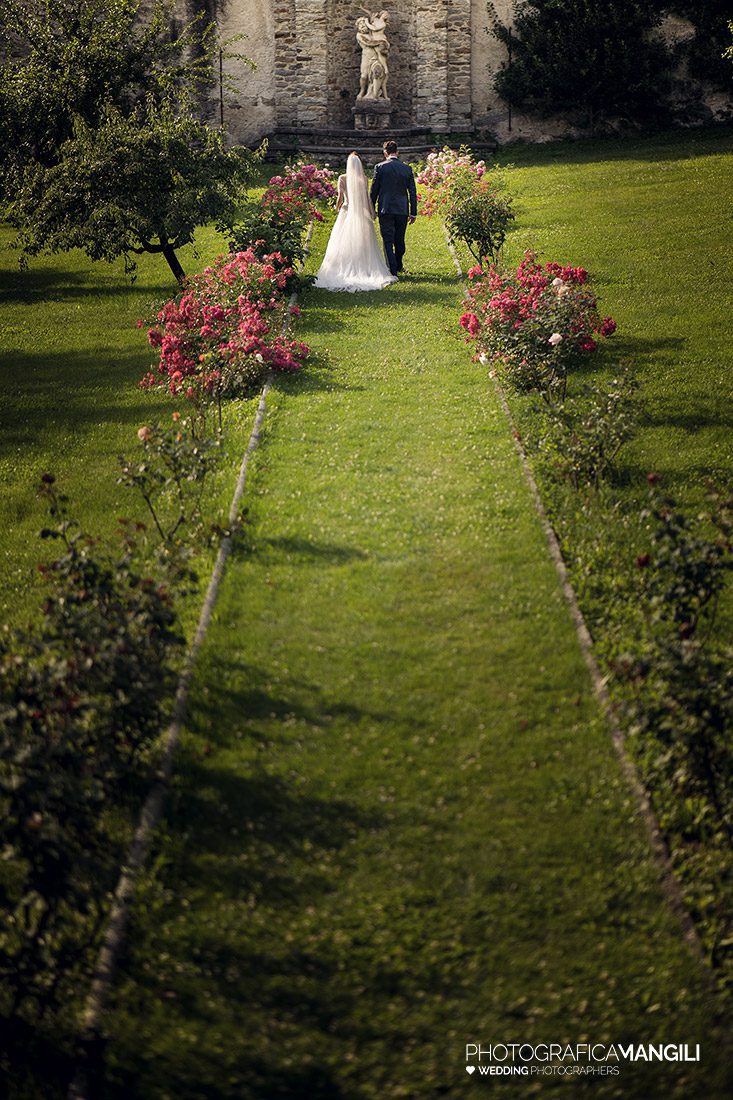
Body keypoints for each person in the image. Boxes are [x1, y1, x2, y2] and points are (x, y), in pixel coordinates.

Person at [314, 152, 397, 292]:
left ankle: (343, 266)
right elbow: (367, 198)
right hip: (360, 214)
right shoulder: (363, 179)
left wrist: (336, 207)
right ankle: (364, 267)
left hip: (346, 212)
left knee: (342, 242)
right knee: (363, 242)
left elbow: (340, 197)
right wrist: (372, 212)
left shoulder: (342, 178)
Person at [370, 140, 417, 277]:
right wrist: (413, 212)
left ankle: (393, 269)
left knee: (388, 240)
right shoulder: (407, 169)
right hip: (402, 209)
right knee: (399, 240)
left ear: (385, 153)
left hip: (385, 208)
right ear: (397, 152)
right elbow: (412, 192)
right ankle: (398, 265)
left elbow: (374, 191)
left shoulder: (380, 167)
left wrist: (371, 208)